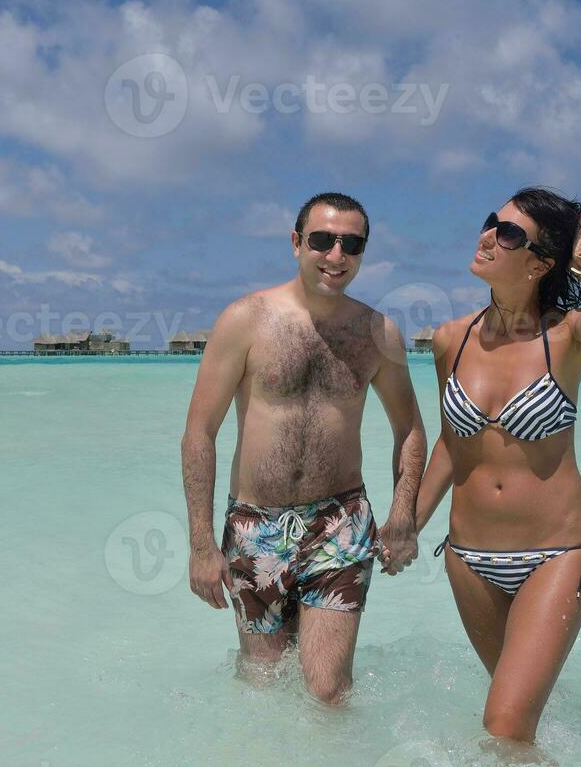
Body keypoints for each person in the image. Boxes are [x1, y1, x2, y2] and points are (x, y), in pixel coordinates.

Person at [415, 186, 581, 744]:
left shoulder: (570, 336)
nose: (489, 235)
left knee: (505, 723)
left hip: (555, 552)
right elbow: (452, 443)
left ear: (541, 262)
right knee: (516, 715)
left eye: (511, 233)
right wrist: (406, 524)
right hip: (468, 557)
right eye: (491, 221)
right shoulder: (451, 340)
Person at [181, 192, 427, 705]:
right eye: (322, 240)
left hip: (339, 521)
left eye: (351, 245)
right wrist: (202, 545)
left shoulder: (378, 333)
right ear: (296, 243)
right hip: (255, 525)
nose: (336, 256)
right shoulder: (245, 319)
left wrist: (404, 514)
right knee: (263, 685)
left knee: (328, 690)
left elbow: (409, 430)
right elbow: (200, 432)